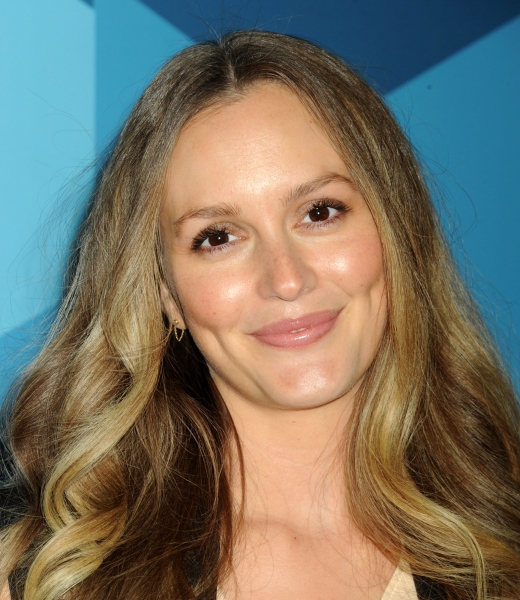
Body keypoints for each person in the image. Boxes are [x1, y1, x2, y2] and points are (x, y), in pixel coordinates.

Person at [0, 30, 519, 600]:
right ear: (165, 293)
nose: (286, 278)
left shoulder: (504, 534)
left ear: (396, 230)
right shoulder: (45, 574)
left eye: (319, 212)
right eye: (218, 237)